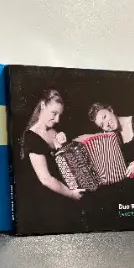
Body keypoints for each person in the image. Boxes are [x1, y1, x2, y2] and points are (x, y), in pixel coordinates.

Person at [18, 89, 84, 233]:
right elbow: (46, 179)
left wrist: (63, 146)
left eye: (60, 115)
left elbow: (65, 165)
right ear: (43, 105)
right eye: (54, 113)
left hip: (63, 196)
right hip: (46, 204)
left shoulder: (54, 130)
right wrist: (72, 194)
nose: (57, 119)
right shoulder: (31, 137)